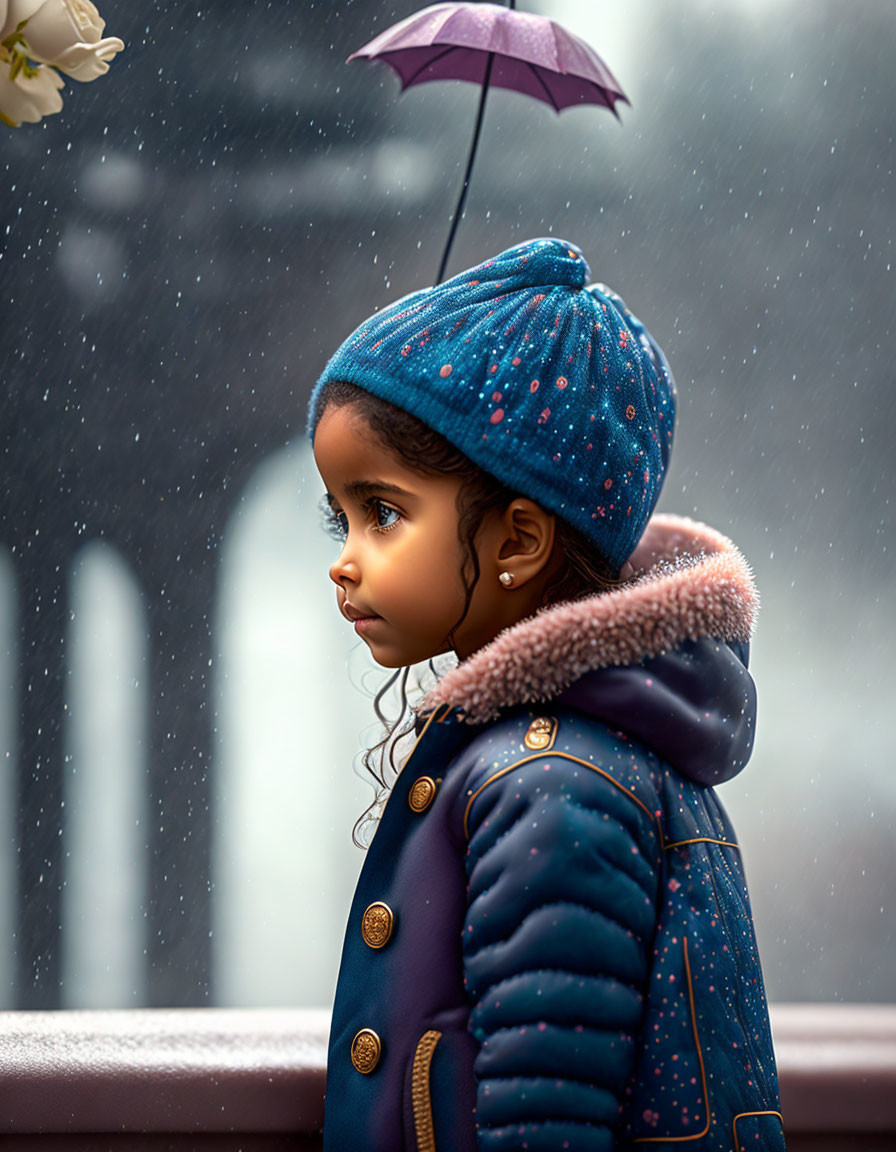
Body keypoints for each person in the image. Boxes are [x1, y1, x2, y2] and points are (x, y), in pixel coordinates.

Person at [307, 237, 785, 1152]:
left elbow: (547, 1113)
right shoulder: (578, 750)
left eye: (385, 513)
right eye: (342, 516)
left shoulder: (554, 781)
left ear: (519, 542)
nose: (345, 557)